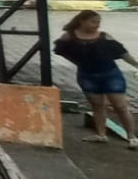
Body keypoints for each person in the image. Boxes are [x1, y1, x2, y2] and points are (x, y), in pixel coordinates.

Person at [54, 11, 138, 148]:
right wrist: (77, 61)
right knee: (97, 105)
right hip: (87, 75)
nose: (97, 25)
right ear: (82, 21)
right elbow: (61, 51)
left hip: (110, 74)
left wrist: (135, 64)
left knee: (120, 106)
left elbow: (122, 53)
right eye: (93, 22)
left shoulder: (104, 36)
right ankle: (101, 134)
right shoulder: (69, 37)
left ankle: (132, 136)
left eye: (98, 22)